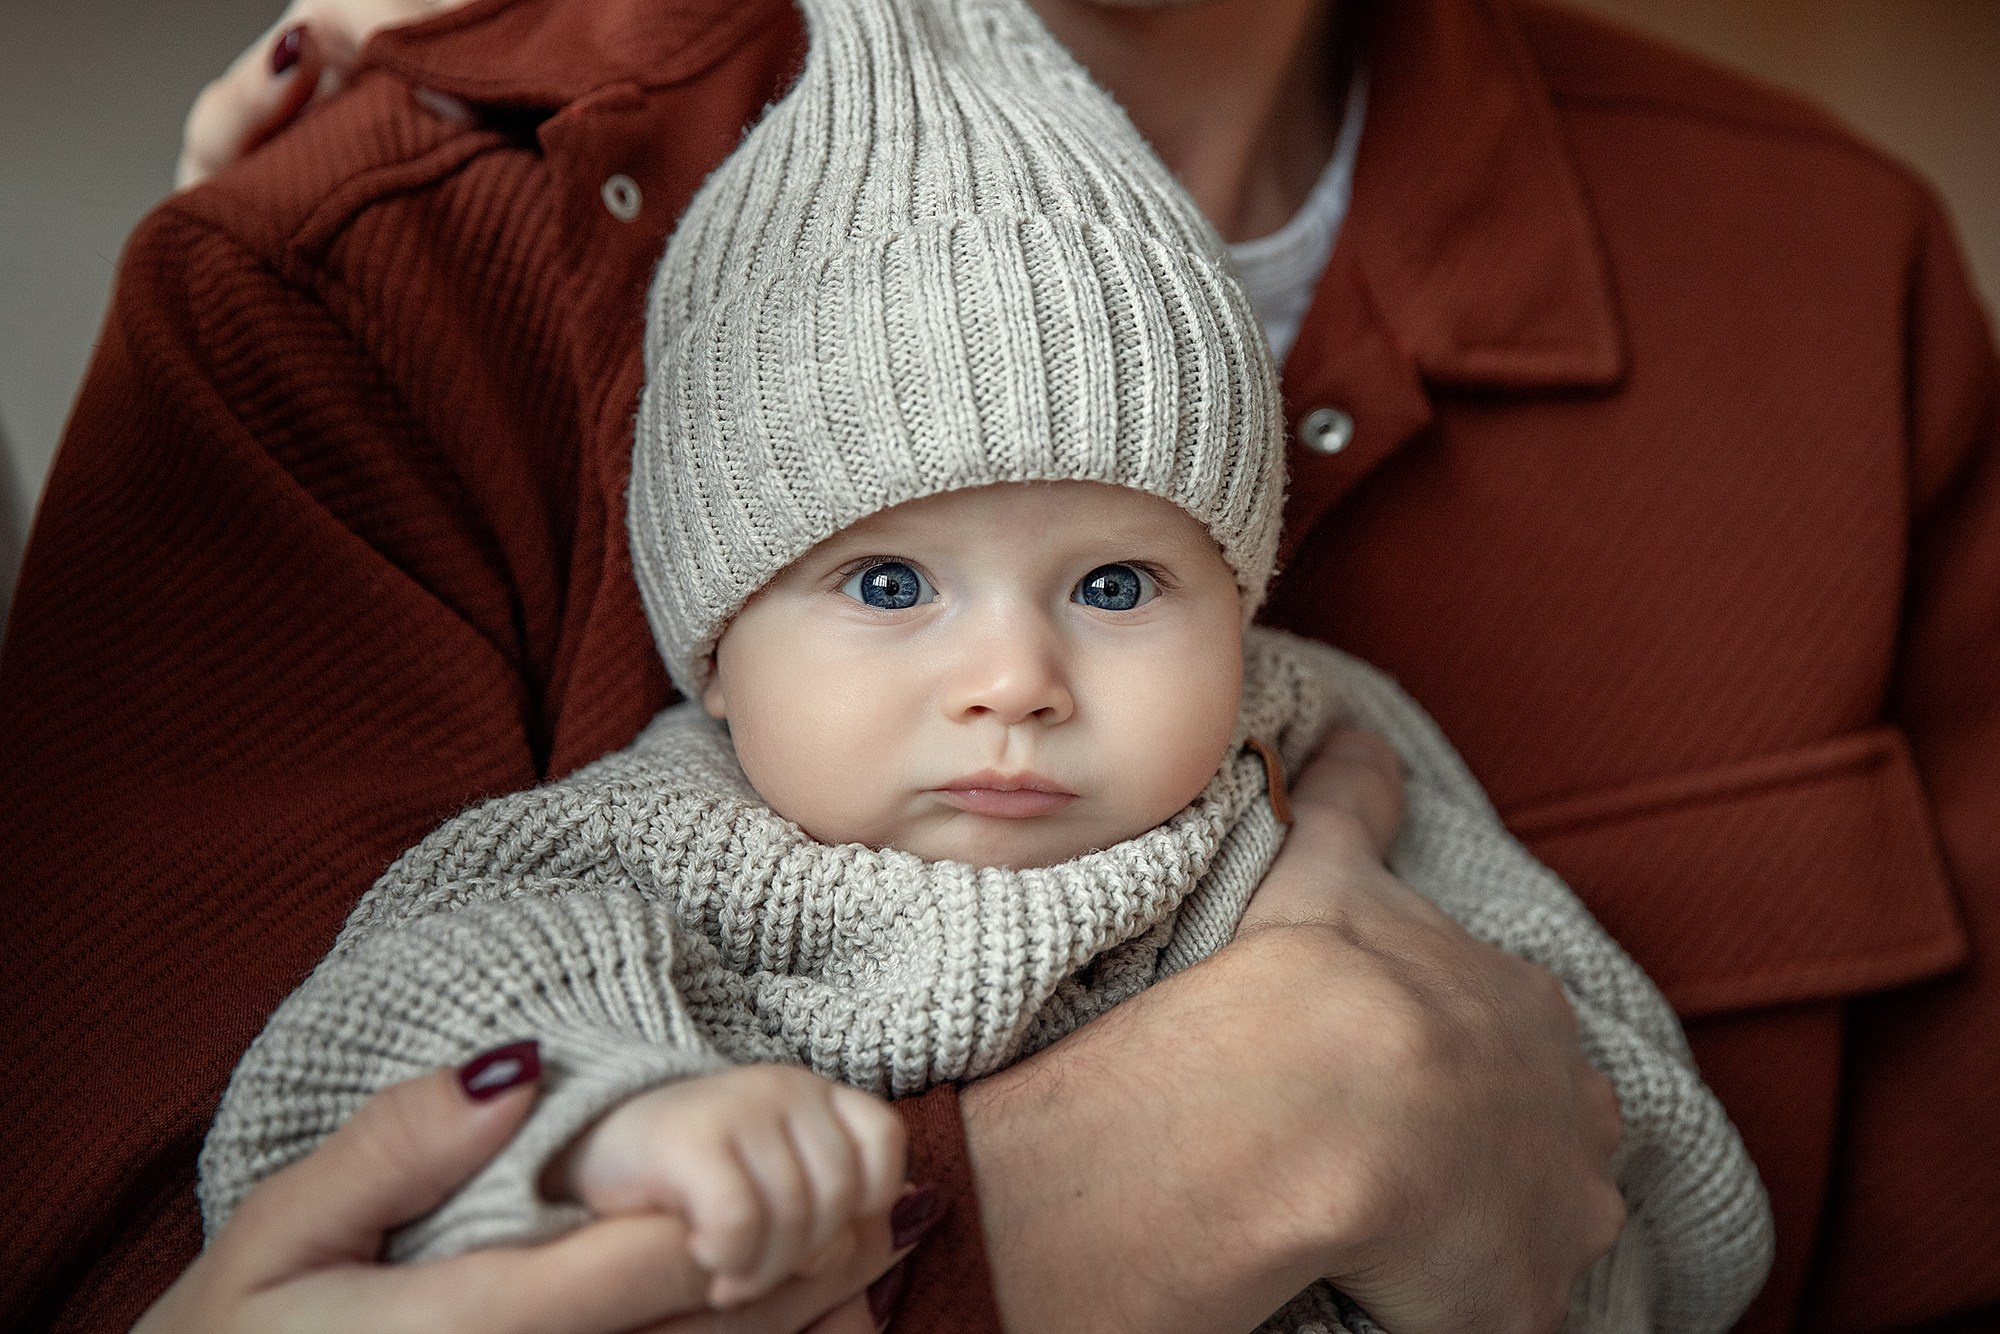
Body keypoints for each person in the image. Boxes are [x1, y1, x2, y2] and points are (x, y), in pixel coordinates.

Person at [2, 0, 1994, 1330]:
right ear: (713, 634)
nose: (1015, 680)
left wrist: (1580, 1204)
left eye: (1123, 587)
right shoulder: (383, 276)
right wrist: (658, 1147)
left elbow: (1663, 1165)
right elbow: (350, 1110)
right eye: (883, 587)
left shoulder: (1829, 267)